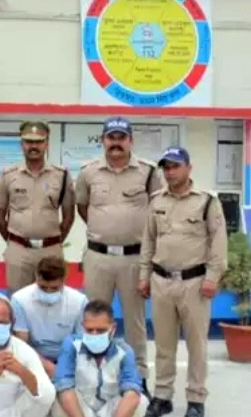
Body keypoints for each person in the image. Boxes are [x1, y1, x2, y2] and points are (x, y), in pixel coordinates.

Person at [139, 147, 227, 417]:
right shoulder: (156, 200)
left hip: (194, 283)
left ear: (189, 168)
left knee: (197, 345)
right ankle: (162, 396)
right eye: (166, 167)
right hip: (161, 280)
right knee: (163, 344)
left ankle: (196, 399)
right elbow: (148, 240)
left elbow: (219, 242)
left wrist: (212, 277)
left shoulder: (207, 201)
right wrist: (144, 276)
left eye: (175, 166)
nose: (170, 172)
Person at [75, 116, 161, 392]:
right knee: (93, 319)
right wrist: (106, 231)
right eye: (111, 137)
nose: (116, 143)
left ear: (130, 141)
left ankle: (138, 378)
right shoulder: (88, 172)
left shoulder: (148, 172)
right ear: (103, 140)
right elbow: (83, 207)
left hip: (134, 258)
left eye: (121, 137)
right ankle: (92, 376)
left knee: (135, 322)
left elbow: (159, 211)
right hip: (98, 257)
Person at [0, 121, 75, 293]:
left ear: (47, 143)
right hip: (19, 250)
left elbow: (69, 216)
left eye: (39, 142)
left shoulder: (61, 175)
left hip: (51, 249)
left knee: (52, 298)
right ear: (21, 143)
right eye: (29, 142)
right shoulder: (8, 175)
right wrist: (13, 241)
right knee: (17, 299)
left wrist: (55, 242)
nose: (34, 146)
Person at [52, 300, 147, 417]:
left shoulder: (124, 351)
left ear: (113, 328)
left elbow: (132, 390)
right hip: (79, 408)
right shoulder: (71, 345)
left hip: (111, 409)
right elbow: (64, 386)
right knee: (58, 396)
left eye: (101, 330)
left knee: (140, 401)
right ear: (83, 326)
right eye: (89, 330)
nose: (94, 334)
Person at [11, 256, 87, 378]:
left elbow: (81, 341)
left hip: (69, 357)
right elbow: (22, 344)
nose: (48, 292)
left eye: (54, 288)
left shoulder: (79, 301)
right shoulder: (19, 300)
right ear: (36, 277)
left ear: (64, 280)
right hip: (33, 357)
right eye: (43, 287)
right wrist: (47, 366)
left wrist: (64, 367)